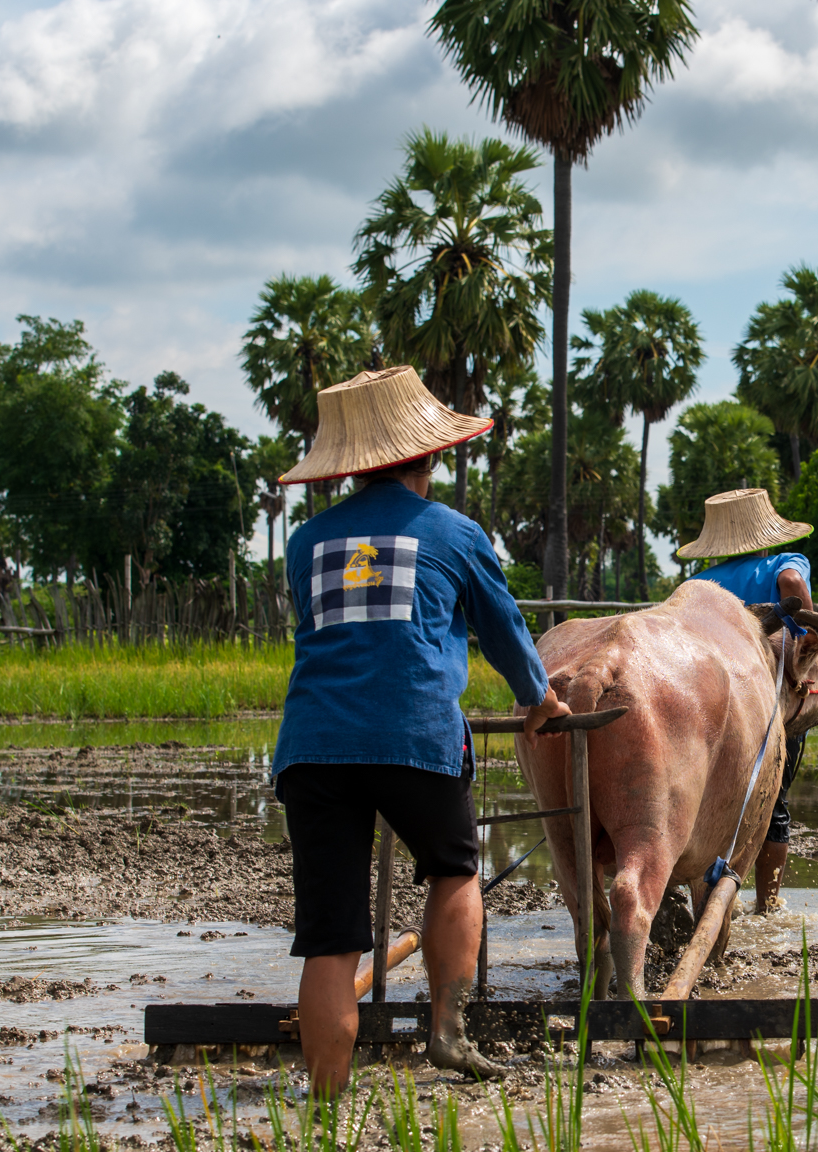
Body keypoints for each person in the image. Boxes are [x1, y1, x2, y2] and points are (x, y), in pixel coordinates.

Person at [271, 366, 567, 1093]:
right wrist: (539, 699)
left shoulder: (307, 541)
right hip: (414, 737)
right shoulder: (457, 533)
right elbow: (502, 629)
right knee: (455, 870)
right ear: (427, 455)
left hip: (314, 747)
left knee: (331, 938)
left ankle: (326, 1103)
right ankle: (447, 1032)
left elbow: (320, 631)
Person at [677, 488, 815, 915]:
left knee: (705, 799)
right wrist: (809, 637)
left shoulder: (698, 584)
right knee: (774, 801)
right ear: (768, 530)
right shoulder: (785, 563)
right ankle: (767, 905)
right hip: (767, 700)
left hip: (708, 703)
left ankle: (703, 894)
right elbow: (792, 585)